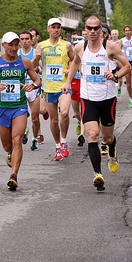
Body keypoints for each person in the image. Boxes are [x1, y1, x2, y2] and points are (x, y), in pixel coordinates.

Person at [61, 15, 131, 191]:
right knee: (92, 135)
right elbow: (75, 64)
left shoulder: (110, 47)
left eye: (95, 28)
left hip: (107, 99)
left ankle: (112, 150)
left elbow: (127, 66)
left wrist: (115, 75)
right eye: (89, 28)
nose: (92, 31)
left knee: (107, 138)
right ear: (85, 30)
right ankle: (98, 174)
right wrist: (68, 82)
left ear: (101, 30)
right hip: (88, 99)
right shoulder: (80, 47)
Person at [0, 32, 41, 191]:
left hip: (19, 107)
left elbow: (37, 80)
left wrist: (32, 86)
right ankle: (9, 154)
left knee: (17, 139)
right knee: (7, 145)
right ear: (4, 45)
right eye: (10, 45)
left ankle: (14, 175)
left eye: (16, 44)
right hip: (2, 108)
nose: (14, 48)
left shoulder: (25, 62)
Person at [32, 18, 75, 161]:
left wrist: (70, 70)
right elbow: (32, 66)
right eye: (53, 27)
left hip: (63, 87)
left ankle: (64, 141)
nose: (56, 30)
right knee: (54, 119)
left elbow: (74, 61)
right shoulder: (42, 45)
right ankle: (57, 146)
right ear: (48, 29)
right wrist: (37, 57)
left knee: (64, 113)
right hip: (48, 88)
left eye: (58, 27)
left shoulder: (67, 45)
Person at [18, 30, 44, 151]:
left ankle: (34, 138)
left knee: (35, 118)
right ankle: (24, 130)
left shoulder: (36, 53)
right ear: (19, 41)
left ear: (31, 40)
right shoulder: (16, 54)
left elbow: (43, 69)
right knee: (21, 116)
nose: (24, 42)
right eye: (22, 39)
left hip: (34, 86)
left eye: (27, 39)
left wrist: (38, 70)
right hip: (21, 88)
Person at [29, 27, 49, 145]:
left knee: (41, 110)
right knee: (33, 114)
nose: (30, 39)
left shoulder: (40, 51)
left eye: (32, 36)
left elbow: (44, 69)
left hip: (40, 84)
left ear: (37, 37)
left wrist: (37, 69)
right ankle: (38, 134)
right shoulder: (21, 52)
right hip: (25, 85)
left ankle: (46, 112)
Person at [110, 29, 123, 97]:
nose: (114, 35)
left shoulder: (120, 41)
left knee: (120, 78)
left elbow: (118, 49)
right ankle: (113, 93)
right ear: (111, 35)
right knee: (113, 76)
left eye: (115, 34)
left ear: (118, 35)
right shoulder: (109, 42)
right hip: (113, 61)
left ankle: (119, 88)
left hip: (119, 60)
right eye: (113, 34)